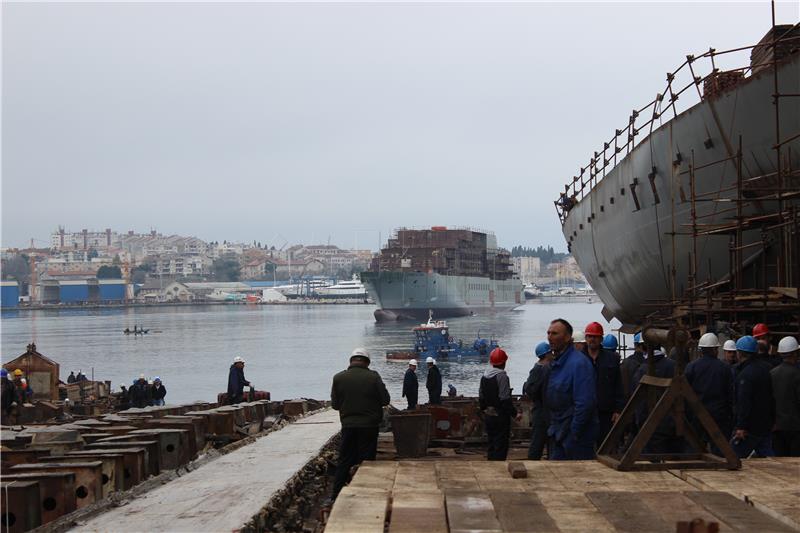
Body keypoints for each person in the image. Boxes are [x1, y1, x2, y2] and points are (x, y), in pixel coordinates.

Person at [330, 347, 390, 499]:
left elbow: (335, 405)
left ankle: (336, 495)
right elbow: (385, 400)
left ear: (351, 361)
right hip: (369, 426)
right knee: (367, 461)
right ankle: (365, 494)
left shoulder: (338, 378)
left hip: (348, 426)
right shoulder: (373, 377)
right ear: (367, 362)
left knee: (344, 460)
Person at [545, 318, 597, 460]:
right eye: (548, 333)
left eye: (554, 334)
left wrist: (573, 433)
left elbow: (585, 403)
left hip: (574, 437)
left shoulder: (579, 364)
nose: (550, 337)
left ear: (568, 337)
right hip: (558, 431)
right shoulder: (559, 363)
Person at [684, 333, 733, 453]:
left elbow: (685, 392)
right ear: (715, 349)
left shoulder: (691, 367)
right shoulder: (724, 368)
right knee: (720, 450)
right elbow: (730, 394)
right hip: (719, 416)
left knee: (695, 450)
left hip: (697, 415)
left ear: (701, 350)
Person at [731, 335, 775, 458]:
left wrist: (741, 426)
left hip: (750, 427)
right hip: (766, 423)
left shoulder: (745, 374)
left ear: (739, 353)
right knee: (768, 457)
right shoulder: (767, 369)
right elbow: (772, 396)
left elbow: (744, 402)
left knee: (733, 457)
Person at [632, 347, 682, 454]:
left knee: (651, 460)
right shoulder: (673, 366)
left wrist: (640, 422)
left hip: (648, 424)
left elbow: (639, 402)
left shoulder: (642, 370)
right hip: (672, 423)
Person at [583, 323, 624, 447]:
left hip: (606, 413)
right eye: (589, 336)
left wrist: (618, 410)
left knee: (606, 446)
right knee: (585, 447)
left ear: (601, 339)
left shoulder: (611, 359)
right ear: (586, 338)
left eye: (595, 337)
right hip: (585, 412)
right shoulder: (579, 359)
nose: (592, 339)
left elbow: (618, 385)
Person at [479, 348, 519, 460]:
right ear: (504, 362)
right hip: (500, 416)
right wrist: (515, 414)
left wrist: (484, 410)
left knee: (491, 442)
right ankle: (500, 468)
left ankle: (491, 466)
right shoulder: (502, 377)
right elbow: (505, 399)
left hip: (489, 415)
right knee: (501, 444)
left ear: (491, 362)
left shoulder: (484, 376)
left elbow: (481, 396)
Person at [771, 336, 800, 456]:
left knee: (780, 462)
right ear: (795, 353)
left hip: (777, 426)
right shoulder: (797, 375)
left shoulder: (772, 373)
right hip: (795, 427)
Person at [524, 341, 552, 460]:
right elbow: (531, 390)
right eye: (550, 352)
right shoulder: (540, 369)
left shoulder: (539, 368)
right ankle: (533, 461)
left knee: (546, 439)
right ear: (546, 354)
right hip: (541, 409)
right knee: (538, 439)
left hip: (544, 408)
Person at [621, 333, 646, 400]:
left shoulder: (626, 362)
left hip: (629, 401)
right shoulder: (648, 362)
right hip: (644, 401)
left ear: (635, 345)